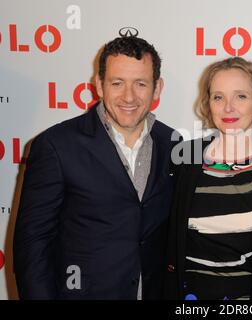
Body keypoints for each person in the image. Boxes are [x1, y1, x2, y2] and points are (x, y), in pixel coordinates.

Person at [13, 36, 178, 299]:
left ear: (157, 88)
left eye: (140, 84)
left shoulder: (172, 143)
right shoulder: (56, 145)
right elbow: (33, 245)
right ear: (99, 85)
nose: (129, 96)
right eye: (117, 83)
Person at [164, 57, 252, 300]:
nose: (228, 107)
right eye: (218, 97)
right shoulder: (183, 161)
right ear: (208, 103)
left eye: (240, 96)